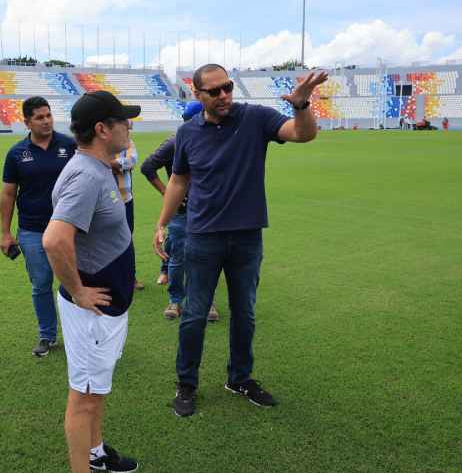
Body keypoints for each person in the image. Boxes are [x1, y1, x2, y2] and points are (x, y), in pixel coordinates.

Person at [153, 64, 327, 417]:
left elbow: (302, 134)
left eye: (227, 87)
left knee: (244, 314)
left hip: (246, 237)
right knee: (194, 315)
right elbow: (179, 180)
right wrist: (162, 223)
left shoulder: (255, 118)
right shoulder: (187, 133)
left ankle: (240, 377)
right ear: (197, 94)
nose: (223, 95)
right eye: (214, 91)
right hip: (201, 236)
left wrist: (302, 104)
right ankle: (186, 383)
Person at [42, 90, 141, 473]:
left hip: (107, 308)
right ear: (103, 129)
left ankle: (96, 452)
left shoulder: (99, 168)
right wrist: (78, 291)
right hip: (92, 312)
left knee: (96, 389)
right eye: (123, 120)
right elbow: (54, 240)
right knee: (83, 397)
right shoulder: (86, 175)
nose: (129, 126)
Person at [0, 96, 77, 357]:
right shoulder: (16, 153)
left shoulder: (70, 145)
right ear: (27, 122)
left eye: (48, 115)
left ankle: (78, 335)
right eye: (39, 117)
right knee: (41, 284)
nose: (46, 121)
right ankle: (47, 335)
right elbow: (8, 194)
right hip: (32, 230)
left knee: (74, 282)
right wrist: (5, 232)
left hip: (68, 227)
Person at [140, 101, 219, 322]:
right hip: (182, 211)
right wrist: (168, 194)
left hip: (208, 211)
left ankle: (207, 301)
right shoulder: (175, 142)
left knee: (208, 258)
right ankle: (175, 300)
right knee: (177, 259)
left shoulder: (215, 141)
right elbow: (147, 167)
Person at [111, 124, 143, 291]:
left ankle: (130, 277)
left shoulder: (128, 143)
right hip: (105, 201)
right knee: (105, 239)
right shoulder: (101, 143)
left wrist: (112, 163)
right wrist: (118, 165)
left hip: (125, 199)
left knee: (126, 238)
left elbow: (132, 160)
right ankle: (111, 277)